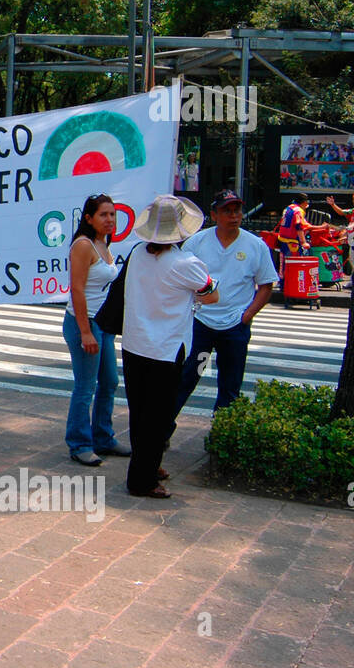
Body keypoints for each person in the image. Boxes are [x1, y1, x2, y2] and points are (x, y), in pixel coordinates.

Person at [121, 195, 219, 498]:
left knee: (140, 413)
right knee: (158, 416)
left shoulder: (137, 252)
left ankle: (148, 465)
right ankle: (142, 480)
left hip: (135, 342)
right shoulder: (185, 263)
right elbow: (211, 294)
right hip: (164, 348)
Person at [169, 190, 278, 423]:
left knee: (230, 384)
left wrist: (246, 315)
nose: (233, 215)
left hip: (234, 328)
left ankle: (222, 433)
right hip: (201, 324)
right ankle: (163, 431)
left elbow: (266, 285)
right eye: (226, 211)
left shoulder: (255, 245)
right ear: (214, 214)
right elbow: (179, 279)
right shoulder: (196, 243)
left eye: (237, 210)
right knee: (189, 376)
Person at [61, 194, 123, 467]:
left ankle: (103, 437)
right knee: (86, 386)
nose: (109, 219)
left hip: (103, 323)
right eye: (103, 215)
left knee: (109, 382)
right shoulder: (83, 245)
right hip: (83, 322)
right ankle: (79, 444)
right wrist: (86, 331)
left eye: (112, 214)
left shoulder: (103, 243)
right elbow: (77, 288)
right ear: (89, 218)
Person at [326, 191, 354, 276]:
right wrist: (333, 204)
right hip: (353, 237)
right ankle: (353, 279)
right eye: (353, 198)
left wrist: (347, 229)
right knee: (352, 258)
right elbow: (342, 212)